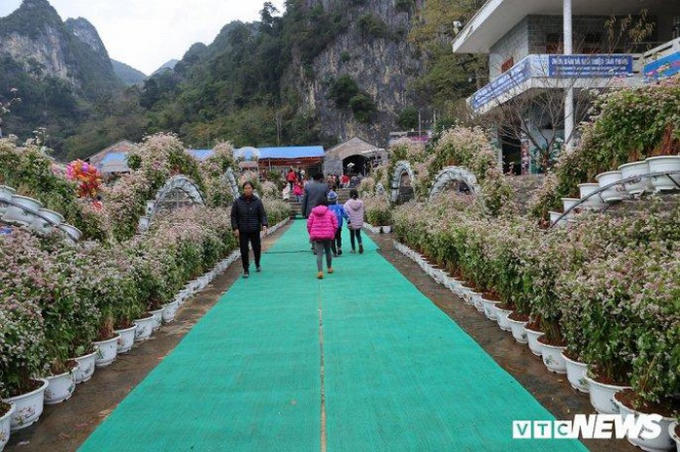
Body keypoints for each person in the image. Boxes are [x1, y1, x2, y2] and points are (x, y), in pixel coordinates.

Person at [231, 181, 268, 278]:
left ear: (252, 189)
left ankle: (257, 263)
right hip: (242, 230)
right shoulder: (238, 202)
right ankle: (246, 269)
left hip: (254, 229)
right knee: (244, 250)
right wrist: (235, 228)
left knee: (257, 248)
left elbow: (262, 214)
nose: (247, 190)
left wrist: (264, 225)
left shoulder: (257, 201)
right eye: (246, 188)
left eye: (249, 188)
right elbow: (233, 216)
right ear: (243, 190)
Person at [307, 199, 338, 279]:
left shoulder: (312, 213)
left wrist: (312, 233)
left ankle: (320, 271)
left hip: (317, 237)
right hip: (328, 236)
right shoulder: (330, 213)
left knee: (319, 254)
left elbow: (309, 225)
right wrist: (332, 233)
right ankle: (329, 268)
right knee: (328, 251)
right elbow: (335, 225)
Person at [327, 190, 348, 257]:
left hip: (331, 226)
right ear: (336, 199)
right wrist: (348, 220)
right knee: (338, 237)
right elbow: (345, 214)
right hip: (339, 225)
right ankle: (339, 248)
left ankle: (334, 253)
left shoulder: (327, 208)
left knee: (332, 238)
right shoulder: (340, 206)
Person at [344, 189, 365, 254]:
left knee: (352, 235)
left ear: (350, 195)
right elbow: (363, 210)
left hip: (351, 221)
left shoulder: (347, 203)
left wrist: (348, 219)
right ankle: (360, 244)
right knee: (358, 234)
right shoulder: (361, 202)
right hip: (359, 220)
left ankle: (353, 249)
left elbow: (345, 212)